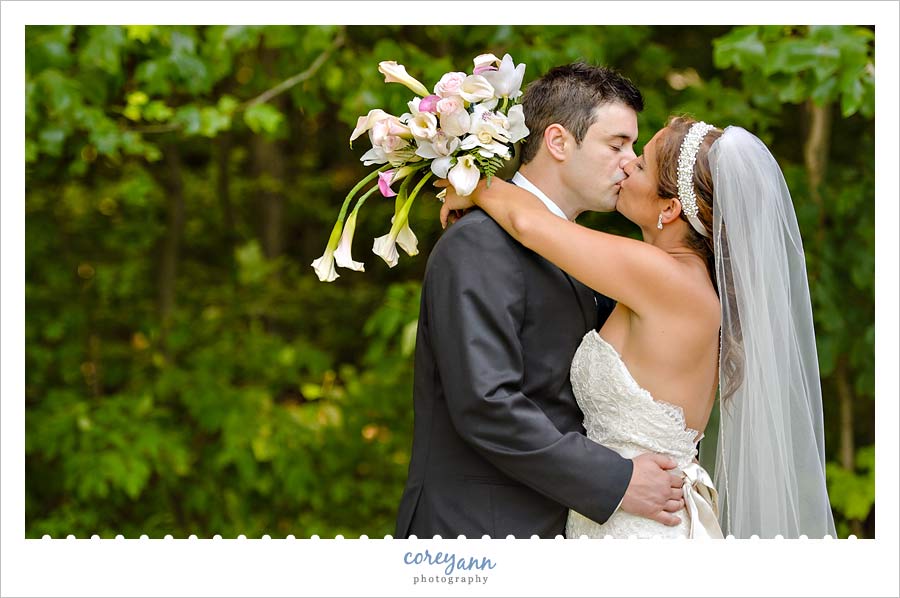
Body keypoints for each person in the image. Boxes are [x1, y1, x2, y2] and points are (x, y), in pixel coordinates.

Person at [440, 116, 838, 539]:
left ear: (669, 209)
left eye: (642, 165)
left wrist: (468, 181)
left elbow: (531, 225)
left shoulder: (663, 277)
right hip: (624, 508)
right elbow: (545, 219)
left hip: (639, 522)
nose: (628, 165)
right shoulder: (681, 281)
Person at [394, 63, 687, 540]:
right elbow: (487, 403)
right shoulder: (479, 243)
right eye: (616, 145)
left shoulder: (583, 254)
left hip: (559, 530)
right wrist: (615, 480)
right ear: (557, 142)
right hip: (476, 532)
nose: (630, 162)